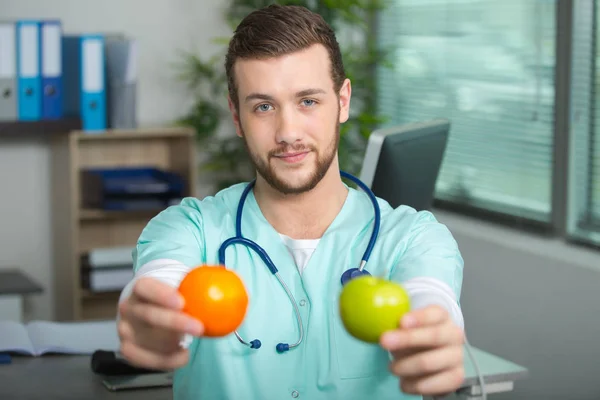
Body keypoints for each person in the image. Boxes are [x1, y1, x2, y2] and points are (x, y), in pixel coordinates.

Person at [117, 4, 466, 400]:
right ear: (236, 116)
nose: (287, 132)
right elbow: (160, 281)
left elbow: (429, 295)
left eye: (308, 101)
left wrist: (431, 331)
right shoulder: (188, 229)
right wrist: (151, 318)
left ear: (343, 101)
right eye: (263, 107)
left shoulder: (415, 238)